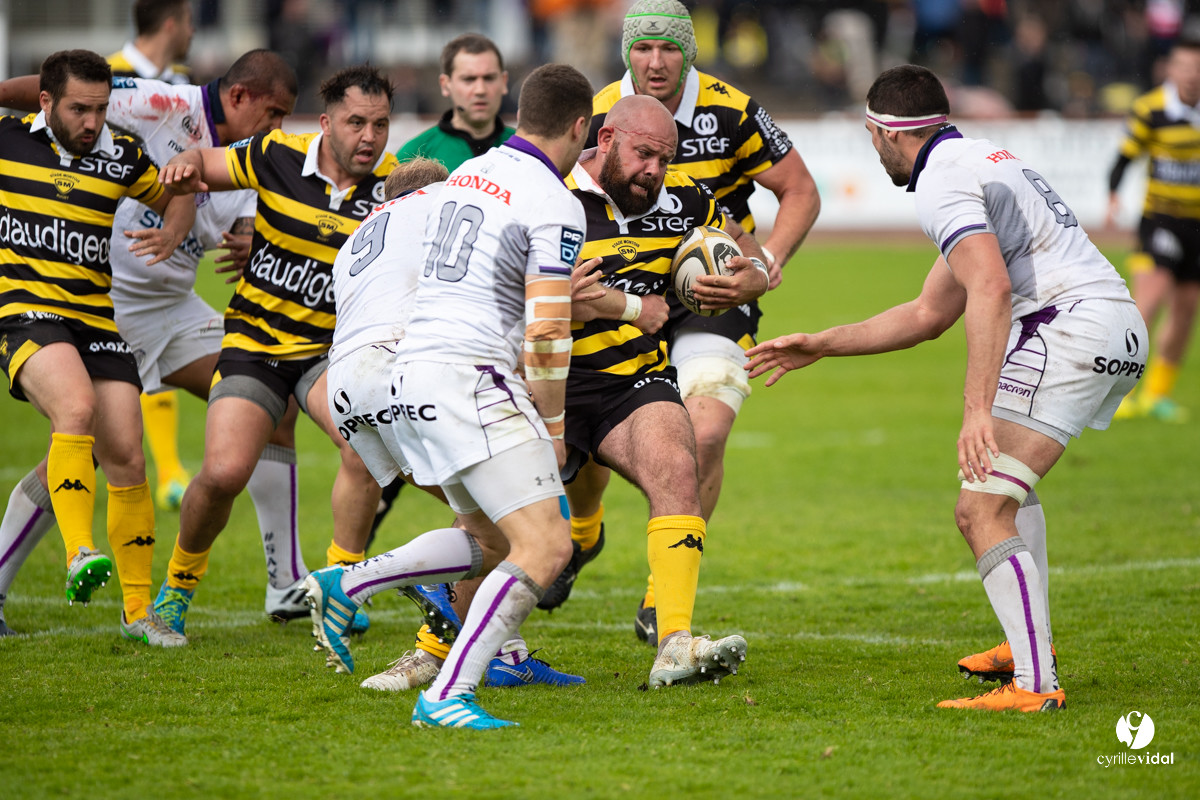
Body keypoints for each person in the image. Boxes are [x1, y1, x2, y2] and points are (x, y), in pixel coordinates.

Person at [746, 64, 1148, 712]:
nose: (872, 151)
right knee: (1008, 496)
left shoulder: (941, 180)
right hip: (1116, 328)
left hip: (1069, 330)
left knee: (979, 509)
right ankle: (1026, 653)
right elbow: (929, 313)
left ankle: (1035, 685)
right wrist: (819, 343)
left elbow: (989, 286)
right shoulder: (975, 160)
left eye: (870, 137)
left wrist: (975, 411)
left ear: (882, 132)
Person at [303, 62, 594, 730]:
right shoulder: (553, 201)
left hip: (411, 370)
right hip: (471, 376)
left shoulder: (466, 173)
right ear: (580, 126)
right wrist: (550, 426)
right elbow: (548, 327)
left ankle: (349, 582)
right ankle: (448, 695)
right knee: (548, 546)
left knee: (492, 537)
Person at [0, 50, 312, 634]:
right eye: (273, 113)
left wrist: (249, 244)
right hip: (105, 304)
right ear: (240, 97)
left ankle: (284, 583)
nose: (275, 127)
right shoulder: (159, 102)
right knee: (83, 444)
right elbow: (36, 92)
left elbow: (238, 225)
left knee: (275, 402)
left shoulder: (253, 158)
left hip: (173, 309)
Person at [552, 0, 821, 643]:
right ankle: (583, 530)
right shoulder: (600, 109)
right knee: (587, 433)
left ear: (688, 53)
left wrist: (765, 264)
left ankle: (660, 600)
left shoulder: (732, 107)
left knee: (701, 432)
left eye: (668, 49)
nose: (654, 62)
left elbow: (801, 189)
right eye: (642, 49)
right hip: (619, 290)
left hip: (711, 292)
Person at [150, 64, 399, 642]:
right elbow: (205, 164)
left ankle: (339, 587)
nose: (369, 137)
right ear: (326, 123)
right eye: (356, 122)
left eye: (380, 124)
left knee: (366, 453)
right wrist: (188, 166)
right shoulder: (274, 154)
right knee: (223, 470)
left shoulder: (394, 188)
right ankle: (175, 591)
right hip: (256, 344)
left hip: (329, 353)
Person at [0, 50, 195, 644]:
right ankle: (79, 551)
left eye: (101, 110)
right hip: (25, 313)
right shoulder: (7, 144)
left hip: (95, 320)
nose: (92, 122)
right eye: (79, 109)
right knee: (76, 410)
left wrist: (174, 231)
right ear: (45, 103)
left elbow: (180, 191)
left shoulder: (124, 155)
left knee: (127, 457)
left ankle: (139, 614)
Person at [1107, 37, 1200, 423]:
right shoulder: (1152, 109)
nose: (1192, 75)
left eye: (1198, 68)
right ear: (1171, 69)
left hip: (1197, 224)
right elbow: (1125, 157)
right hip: (1160, 219)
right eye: (1185, 66)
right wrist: (1112, 194)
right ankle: (1118, 392)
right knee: (1149, 302)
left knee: (1186, 310)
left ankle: (1157, 395)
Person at [395, 33, 514, 170]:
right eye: (469, 79)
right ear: (445, 84)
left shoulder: (528, 150)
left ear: (504, 82)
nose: (480, 90)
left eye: (489, 78)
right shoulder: (413, 156)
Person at [108, 0, 194, 86]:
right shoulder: (108, 75)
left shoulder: (184, 77)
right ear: (170, 26)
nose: (191, 32)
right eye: (188, 22)